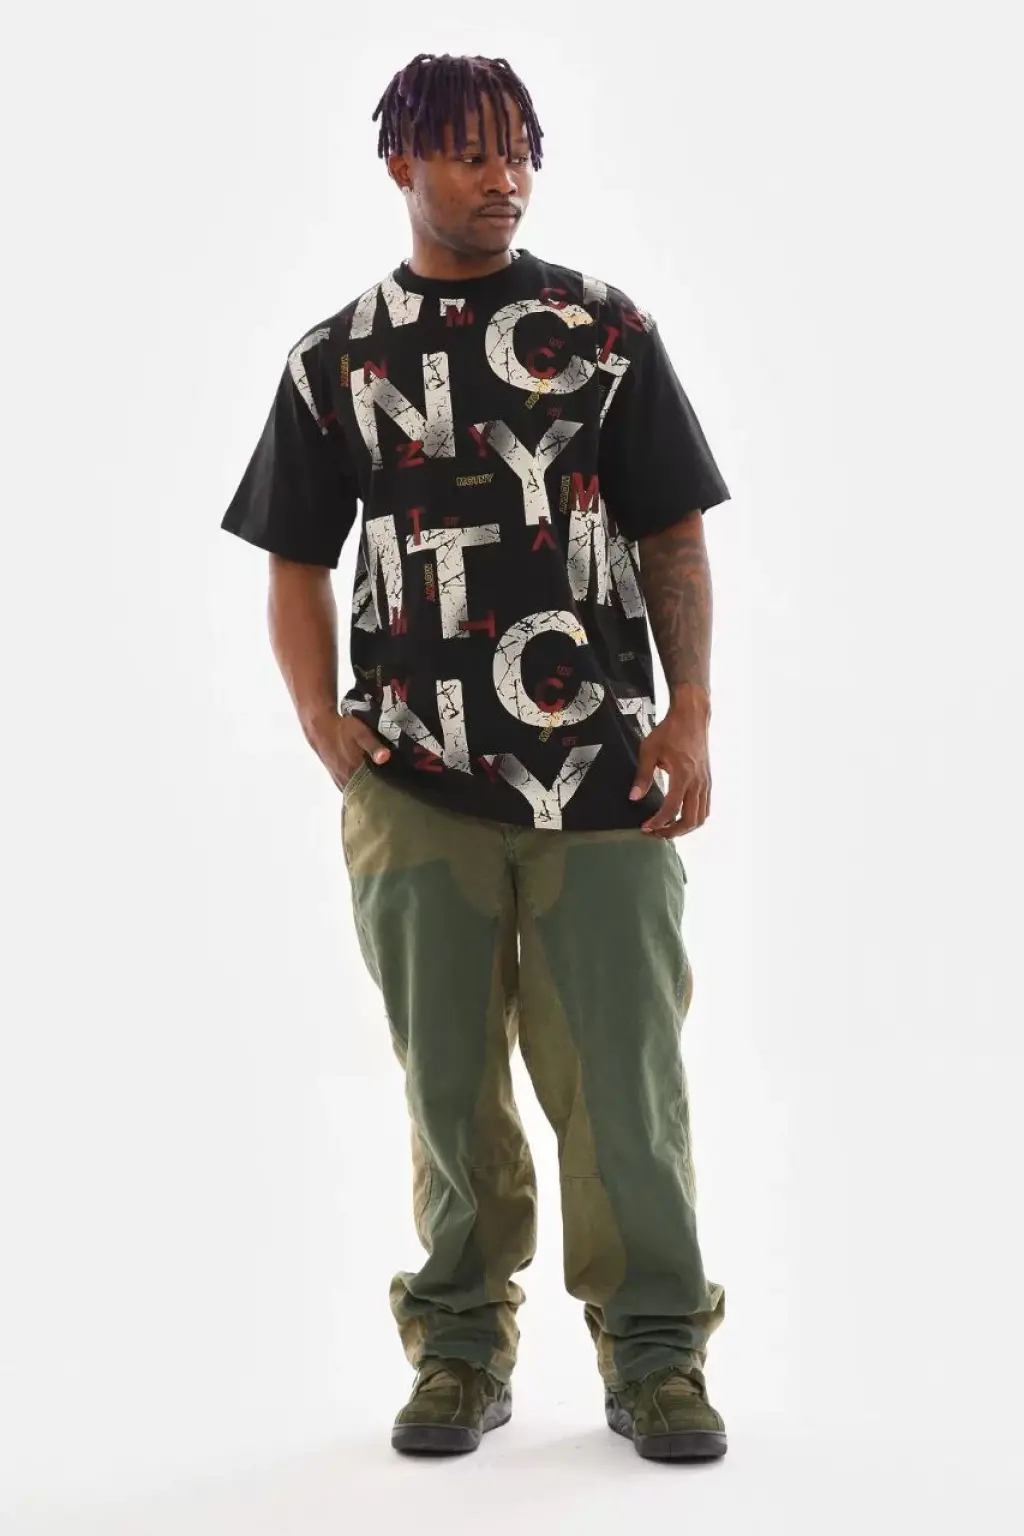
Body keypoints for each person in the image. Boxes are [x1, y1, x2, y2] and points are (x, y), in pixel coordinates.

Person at [221, 51, 730, 1463]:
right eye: (471, 152)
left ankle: (657, 1356)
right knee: (446, 1086)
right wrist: (326, 728)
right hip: (416, 790)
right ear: (402, 163)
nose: (505, 178)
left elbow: (673, 532)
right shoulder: (336, 361)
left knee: (625, 1087)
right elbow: (292, 559)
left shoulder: (602, 331)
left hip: (602, 783)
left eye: (520, 151)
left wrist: (688, 712)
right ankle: (457, 1348)